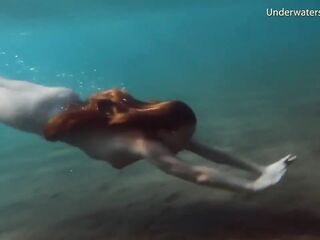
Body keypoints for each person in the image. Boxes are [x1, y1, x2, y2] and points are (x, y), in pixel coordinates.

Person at [0, 77, 296, 192]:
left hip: (60, 98)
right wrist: (251, 188)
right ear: (168, 131)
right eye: (186, 134)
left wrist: (262, 169)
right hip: (35, 114)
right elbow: (198, 174)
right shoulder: (145, 143)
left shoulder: (155, 129)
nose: (189, 141)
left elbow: (210, 153)